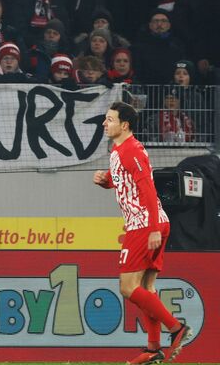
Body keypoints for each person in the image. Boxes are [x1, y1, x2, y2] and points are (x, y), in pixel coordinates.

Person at [92, 101, 193, 364]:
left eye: (109, 119)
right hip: (149, 223)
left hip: (143, 224)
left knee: (127, 288)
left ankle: (176, 328)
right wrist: (108, 182)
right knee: (146, 288)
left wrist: (152, 229)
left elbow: (147, 187)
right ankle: (153, 348)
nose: (105, 123)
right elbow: (126, 182)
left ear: (124, 125)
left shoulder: (131, 150)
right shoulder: (119, 150)